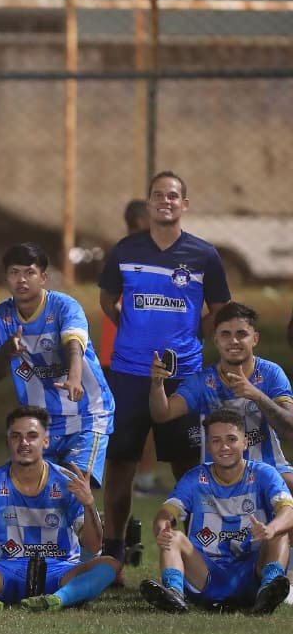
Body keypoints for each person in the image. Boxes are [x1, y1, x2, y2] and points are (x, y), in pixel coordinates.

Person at [98, 171, 230, 568]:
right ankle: (114, 555)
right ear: (150, 202)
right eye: (158, 196)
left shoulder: (204, 254)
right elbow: (107, 300)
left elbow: (221, 309)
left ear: (184, 204)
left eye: (173, 196)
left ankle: (188, 556)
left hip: (184, 375)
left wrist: (194, 336)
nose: (166, 202)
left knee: (186, 467)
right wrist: (134, 330)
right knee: (121, 462)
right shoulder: (125, 250)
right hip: (129, 373)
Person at [0, 406, 119, 612]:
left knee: (110, 564)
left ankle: (57, 600)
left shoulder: (68, 482)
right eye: (16, 436)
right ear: (8, 441)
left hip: (59, 572)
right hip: (7, 572)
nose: (24, 443)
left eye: (32, 436)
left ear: (45, 441)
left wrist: (89, 504)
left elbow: (93, 545)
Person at [140, 408, 292, 615]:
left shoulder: (264, 473)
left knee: (279, 533)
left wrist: (270, 529)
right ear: (209, 446)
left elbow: (288, 511)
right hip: (206, 573)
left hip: (252, 570)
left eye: (231, 439)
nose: (224, 447)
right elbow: (166, 514)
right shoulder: (195, 478)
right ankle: (174, 594)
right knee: (173, 537)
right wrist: (162, 528)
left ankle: (268, 591)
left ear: (245, 442)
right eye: (216, 441)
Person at [0, 243, 114, 485]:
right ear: (6, 278)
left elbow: (73, 344)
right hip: (41, 422)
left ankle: (92, 523)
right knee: (37, 492)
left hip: (87, 413)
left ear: (43, 277)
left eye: (29, 272)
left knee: (75, 489)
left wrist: (74, 377)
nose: (21, 280)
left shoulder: (64, 306)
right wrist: (7, 350)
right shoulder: (3, 314)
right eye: (14, 273)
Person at [149, 301, 293, 491]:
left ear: (255, 339)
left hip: (271, 469)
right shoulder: (202, 381)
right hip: (218, 477)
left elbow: (290, 429)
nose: (233, 341)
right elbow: (163, 413)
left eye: (241, 334)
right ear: (216, 339)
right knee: (184, 496)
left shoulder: (271, 373)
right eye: (226, 334)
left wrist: (258, 396)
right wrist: (157, 384)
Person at [99, 200, 161, 495]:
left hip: (118, 351)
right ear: (140, 222)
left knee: (132, 419)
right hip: (125, 352)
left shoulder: (123, 252)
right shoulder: (131, 255)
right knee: (134, 420)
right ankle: (138, 480)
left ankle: (137, 478)